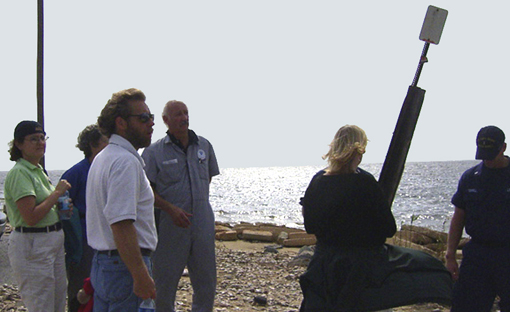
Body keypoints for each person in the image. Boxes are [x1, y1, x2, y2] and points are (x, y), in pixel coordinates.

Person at [299, 125, 452, 311]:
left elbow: (310, 226)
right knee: (431, 266)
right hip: (364, 263)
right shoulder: (365, 181)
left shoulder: (318, 181)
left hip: (325, 262)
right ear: (359, 150)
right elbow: (388, 228)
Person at [142, 100, 220, 311]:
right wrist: (170, 208)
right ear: (165, 120)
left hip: (202, 225)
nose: (183, 118)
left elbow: (207, 180)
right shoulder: (153, 152)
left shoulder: (204, 145)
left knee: (206, 283)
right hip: (170, 228)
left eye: (185, 113)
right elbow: (145, 192)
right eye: (177, 114)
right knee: (164, 285)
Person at [86, 88, 158, 311]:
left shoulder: (102, 158)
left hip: (104, 264)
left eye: (151, 117)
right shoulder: (125, 162)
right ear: (121, 123)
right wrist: (140, 274)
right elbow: (121, 222)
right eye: (144, 118)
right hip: (123, 268)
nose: (151, 124)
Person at [4, 120, 72, 312]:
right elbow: (30, 217)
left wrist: (61, 208)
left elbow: (45, 207)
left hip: (52, 241)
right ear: (18, 144)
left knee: (58, 303)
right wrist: (56, 194)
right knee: (41, 305)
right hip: (33, 243)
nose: (40, 142)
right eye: (33, 139)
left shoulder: (38, 171)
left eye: (43, 138)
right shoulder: (20, 173)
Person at [446, 125, 510, 312]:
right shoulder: (471, 177)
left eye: (491, 154)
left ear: (503, 148)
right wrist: (450, 255)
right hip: (478, 254)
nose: (487, 160)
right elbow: (458, 217)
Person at [61, 124, 108, 312]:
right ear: (93, 145)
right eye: (106, 141)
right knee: (80, 287)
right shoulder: (77, 172)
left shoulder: (107, 168)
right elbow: (63, 205)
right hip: (83, 239)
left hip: (103, 237)